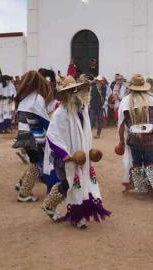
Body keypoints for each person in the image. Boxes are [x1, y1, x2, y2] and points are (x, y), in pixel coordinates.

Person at [42, 76, 111, 229]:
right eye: (71, 91)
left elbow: (85, 133)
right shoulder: (60, 112)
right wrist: (63, 153)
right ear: (65, 94)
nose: (75, 93)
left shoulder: (83, 109)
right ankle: (51, 206)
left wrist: (90, 150)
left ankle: (78, 215)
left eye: (76, 90)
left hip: (81, 157)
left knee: (80, 183)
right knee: (69, 183)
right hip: (65, 157)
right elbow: (52, 135)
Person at [117, 74, 153, 200]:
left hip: (134, 139)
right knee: (150, 161)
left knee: (137, 163)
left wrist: (121, 141)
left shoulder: (126, 100)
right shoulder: (152, 99)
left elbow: (121, 124)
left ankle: (141, 190)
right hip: (150, 137)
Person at [13, 71, 54, 202]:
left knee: (35, 160)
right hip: (33, 137)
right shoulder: (37, 99)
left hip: (24, 135)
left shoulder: (25, 98)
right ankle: (24, 193)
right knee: (38, 163)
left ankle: (21, 183)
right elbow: (44, 121)